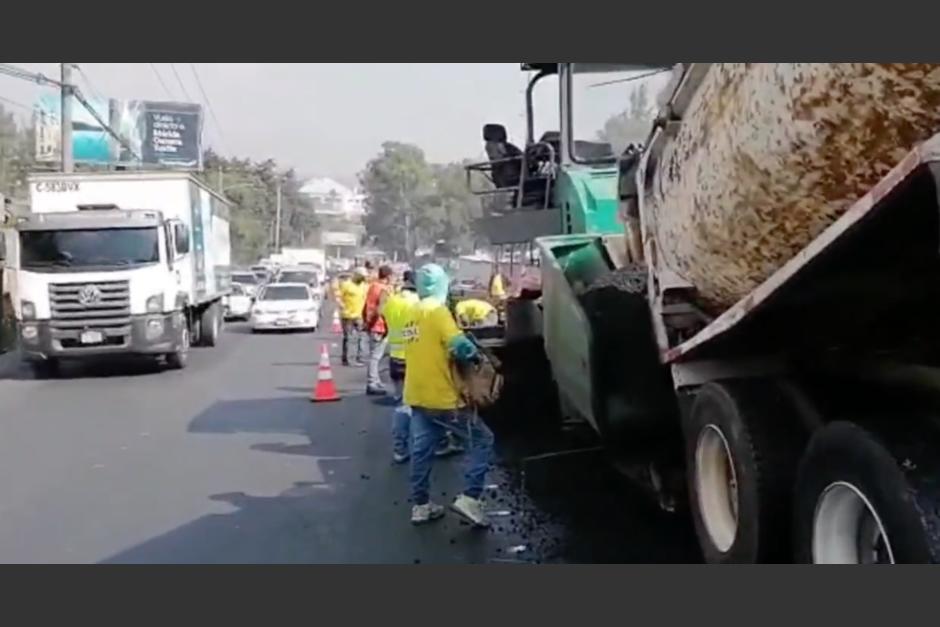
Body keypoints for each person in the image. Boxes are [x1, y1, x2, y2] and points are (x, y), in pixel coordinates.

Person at [404, 263, 495, 527]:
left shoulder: (413, 313)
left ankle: (420, 506)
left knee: (421, 451)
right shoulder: (437, 312)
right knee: (483, 440)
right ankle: (471, 497)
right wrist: (477, 356)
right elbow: (459, 346)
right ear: (442, 285)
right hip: (444, 398)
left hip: (417, 395)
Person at [383, 270, 462, 464]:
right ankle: (438, 443)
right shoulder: (420, 306)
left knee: (403, 404)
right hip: (415, 359)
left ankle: (400, 448)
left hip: (395, 356)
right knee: (427, 404)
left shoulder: (392, 301)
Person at [362, 265, 393, 394]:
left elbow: (366, 306)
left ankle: (375, 380)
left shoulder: (373, 286)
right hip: (379, 326)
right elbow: (381, 309)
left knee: (375, 355)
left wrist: (366, 322)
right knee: (375, 356)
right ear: (388, 276)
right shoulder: (384, 290)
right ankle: (372, 383)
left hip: (372, 324)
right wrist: (386, 324)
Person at [339, 269, 368, 367]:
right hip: (347, 315)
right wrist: (342, 305)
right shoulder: (346, 284)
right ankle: (346, 358)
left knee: (361, 337)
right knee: (348, 338)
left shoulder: (363, 286)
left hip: (359, 315)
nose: (363, 279)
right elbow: (339, 297)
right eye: (361, 276)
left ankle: (359, 358)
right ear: (356, 275)